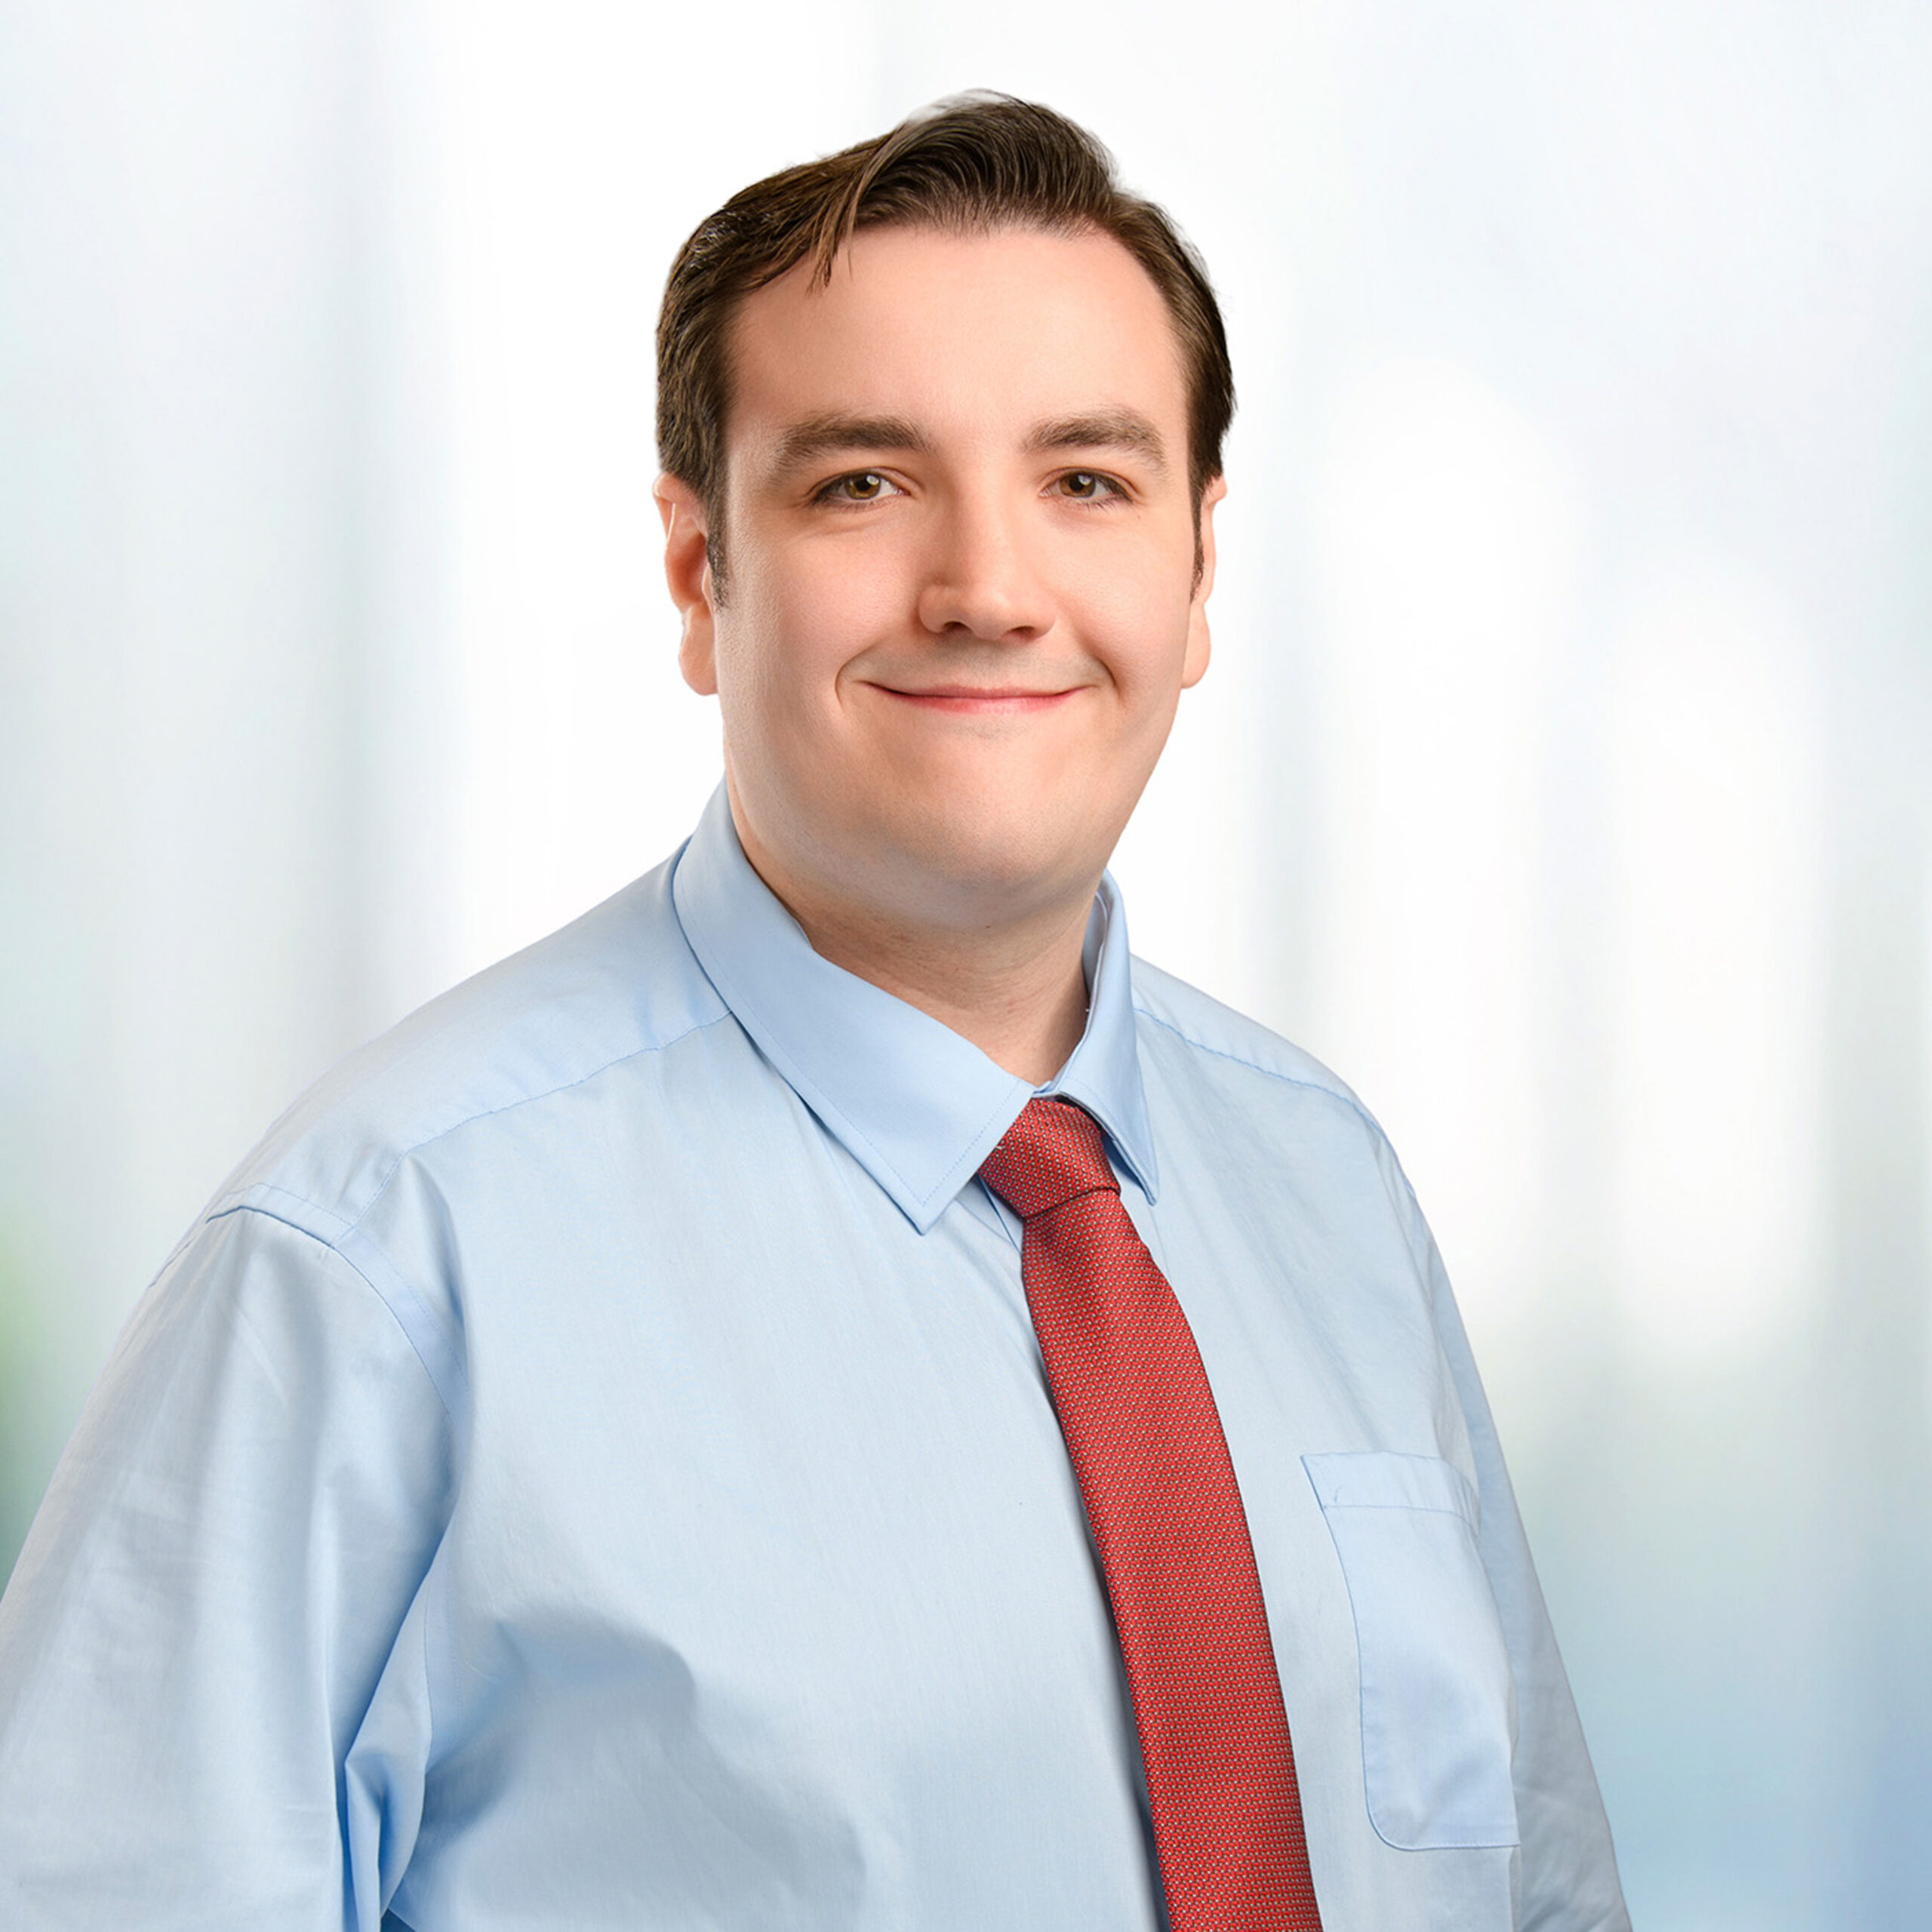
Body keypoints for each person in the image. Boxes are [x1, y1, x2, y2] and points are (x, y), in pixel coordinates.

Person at [0, 95, 1629, 1931]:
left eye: (1084, 480)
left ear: (1194, 570)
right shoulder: (376, 1256)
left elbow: (1538, 1890)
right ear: (701, 572)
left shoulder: (1327, 1187)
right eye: (864, 481)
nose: (989, 590)